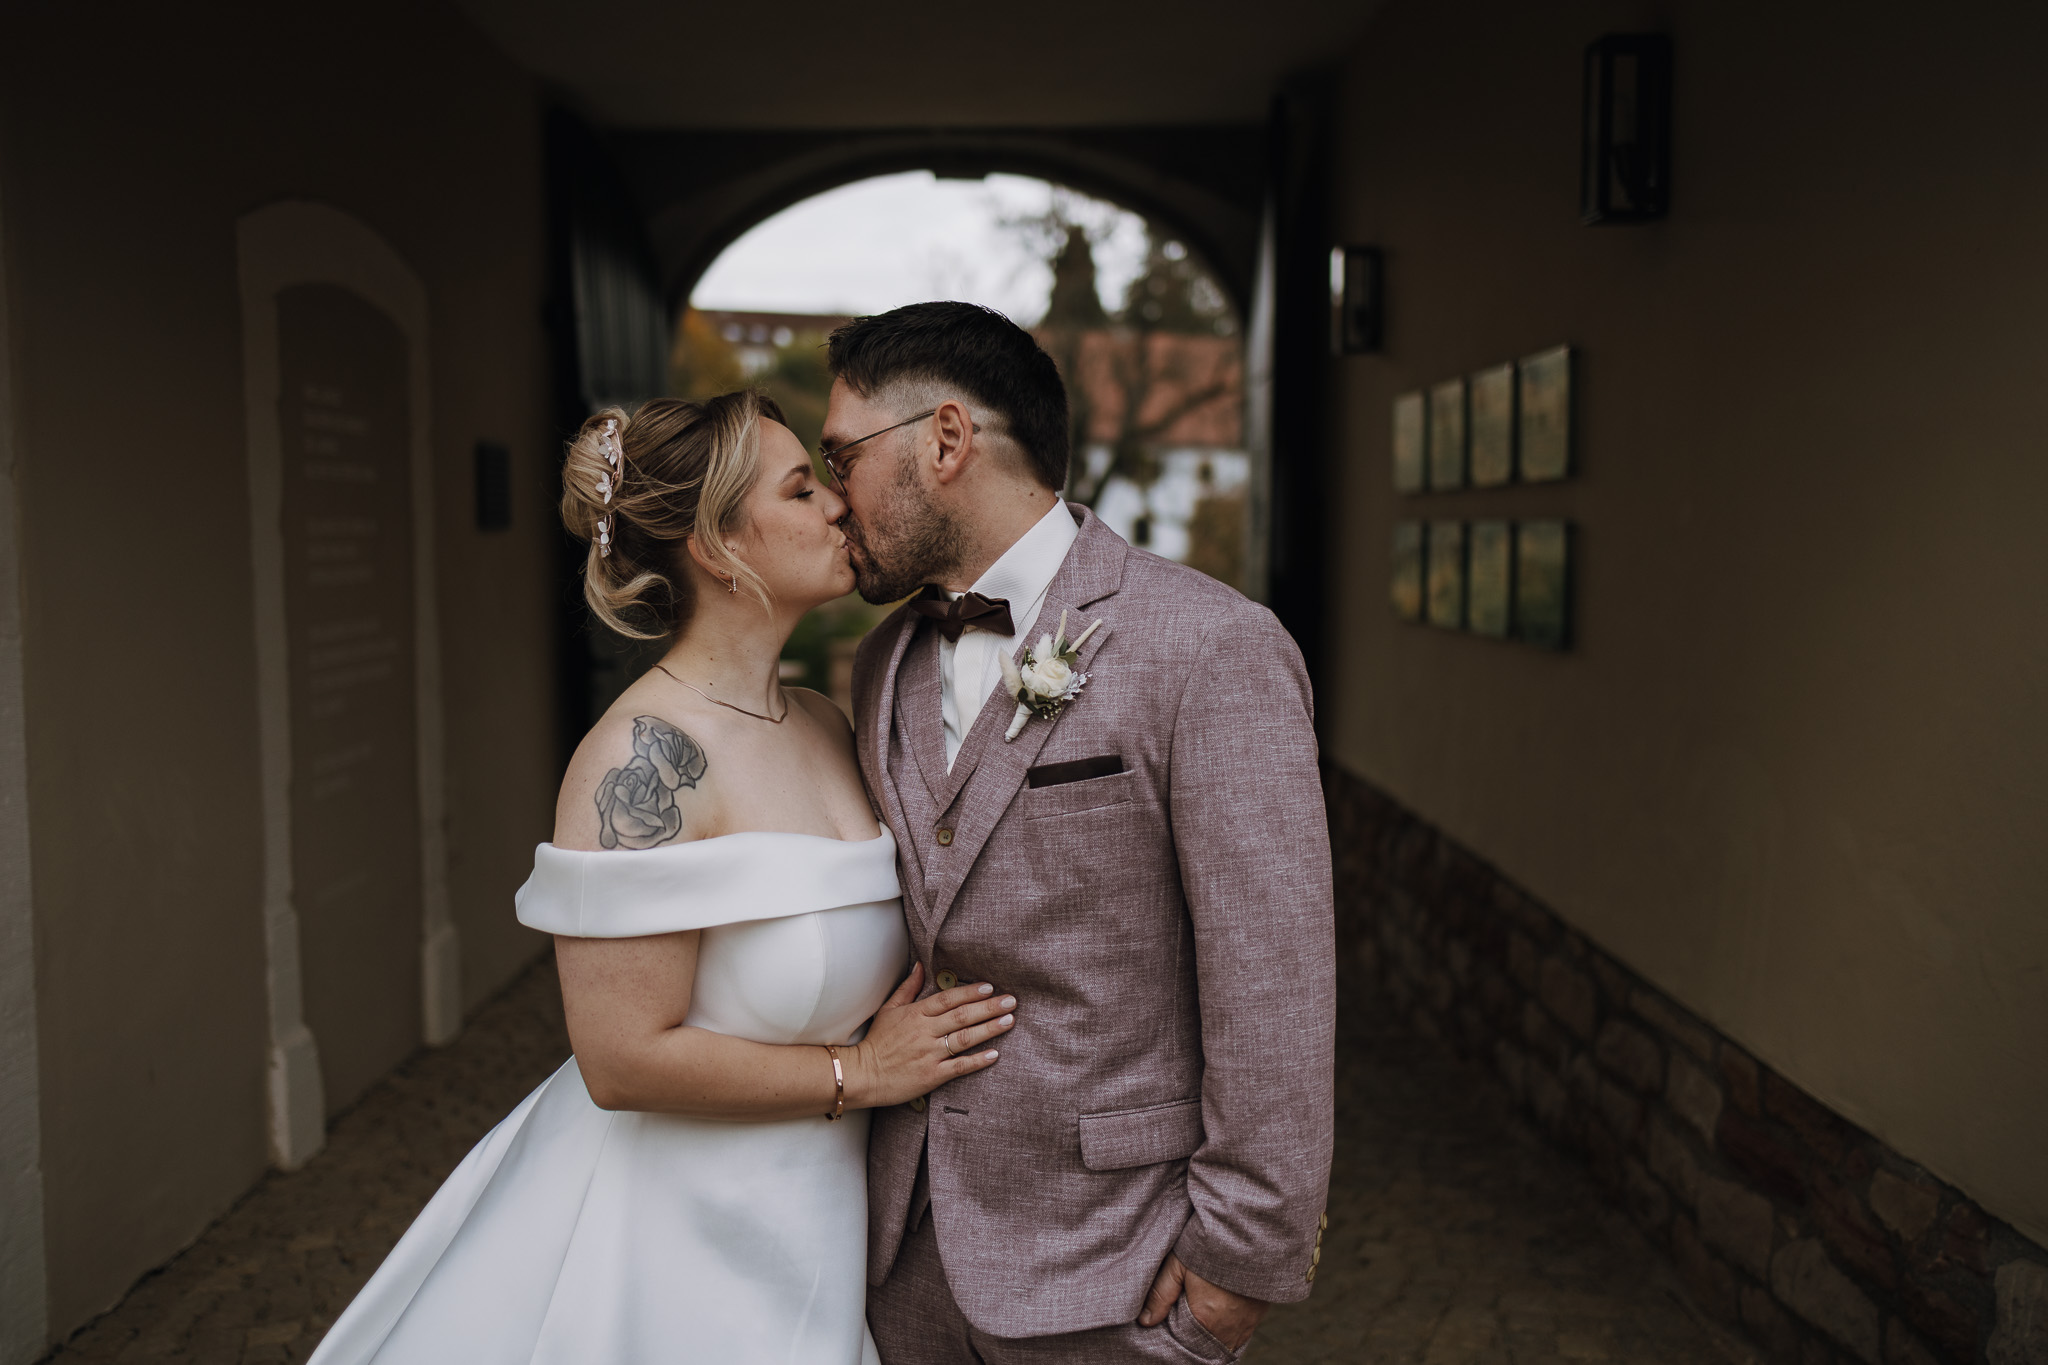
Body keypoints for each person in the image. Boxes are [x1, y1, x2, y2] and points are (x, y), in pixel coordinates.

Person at [307, 392, 1016, 1365]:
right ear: (715, 546)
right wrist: (862, 1073)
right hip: (674, 1240)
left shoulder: (822, 721)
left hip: (819, 1212)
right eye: (800, 489)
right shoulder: (637, 762)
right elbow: (619, 1059)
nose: (838, 505)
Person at [827, 302, 1336, 1365]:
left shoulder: (1210, 646)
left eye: (843, 457)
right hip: (902, 1258)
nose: (834, 497)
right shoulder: (879, 664)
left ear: (947, 439)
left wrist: (1239, 1262)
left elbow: (1273, 981)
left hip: (1120, 1267)